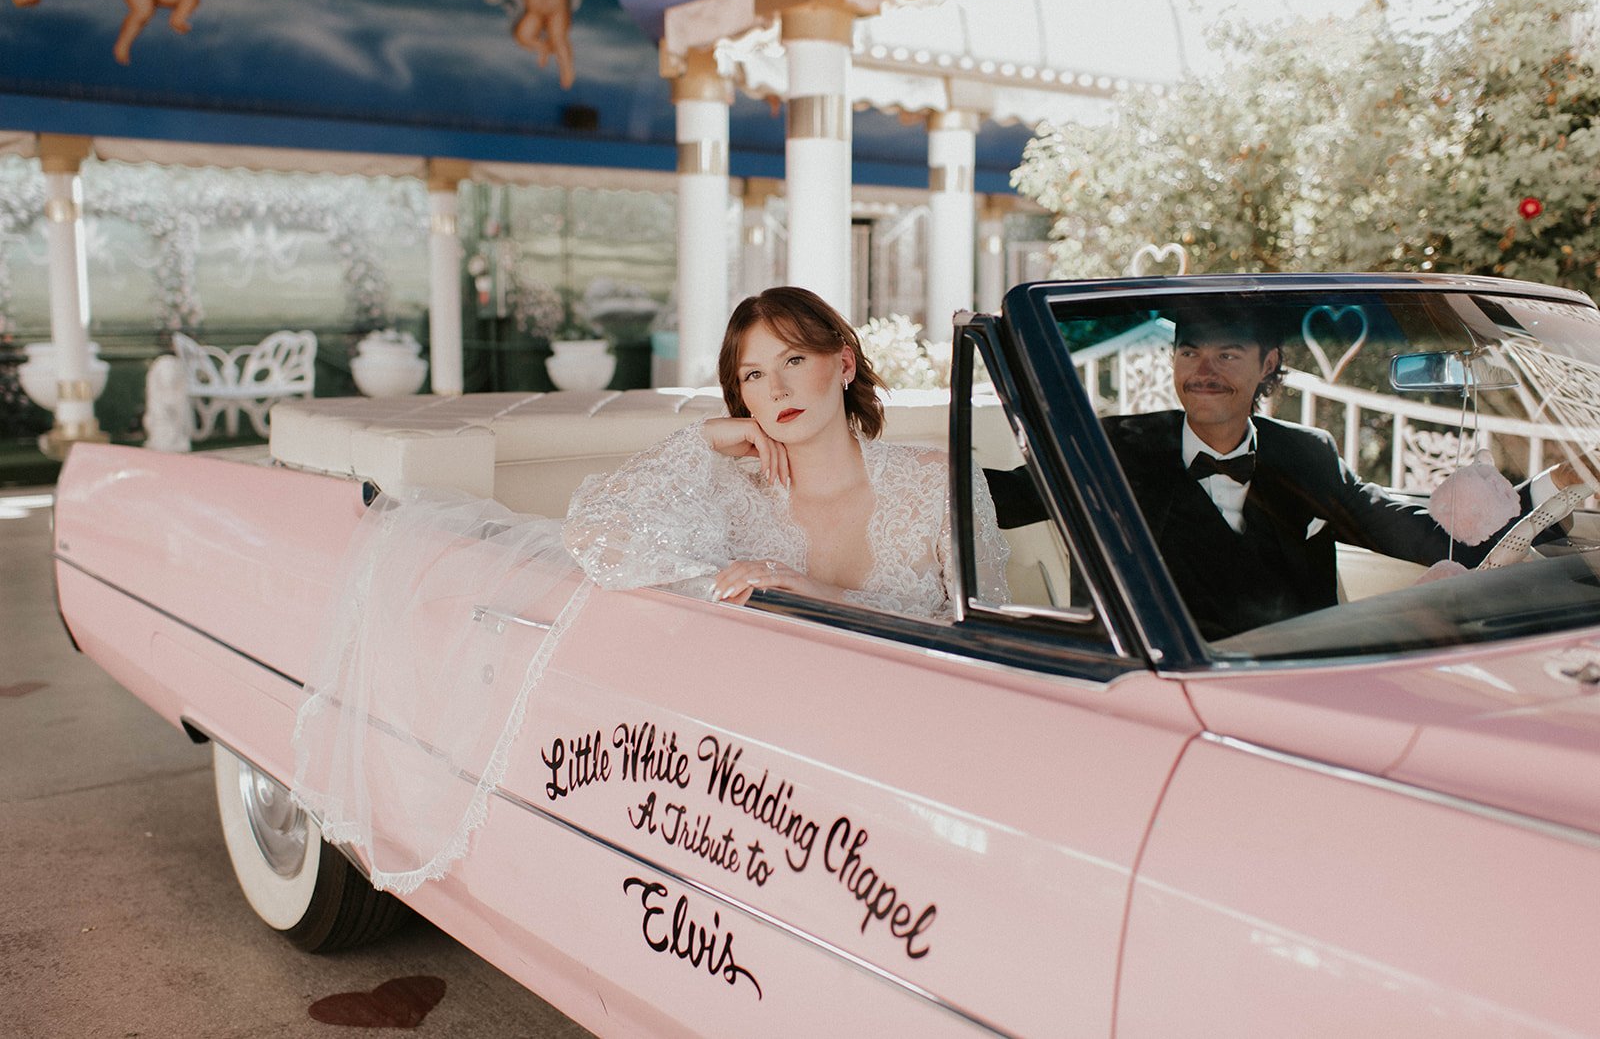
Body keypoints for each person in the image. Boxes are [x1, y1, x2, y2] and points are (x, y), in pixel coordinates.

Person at [985, 314, 1589, 640]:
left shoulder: (1307, 454)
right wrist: (893, 464)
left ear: (1268, 365)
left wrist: (1563, 479)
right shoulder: (1117, 444)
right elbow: (1005, 499)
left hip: (1293, 689)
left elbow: (1424, 537)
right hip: (1153, 686)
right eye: (1189, 351)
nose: (1203, 371)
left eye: (1227, 354)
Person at [565, 286, 1010, 619]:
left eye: (794, 360)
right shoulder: (731, 496)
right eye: (754, 375)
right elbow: (591, 534)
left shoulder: (938, 481)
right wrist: (702, 438)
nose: (777, 390)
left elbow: (989, 633)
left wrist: (812, 591)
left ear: (844, 364)